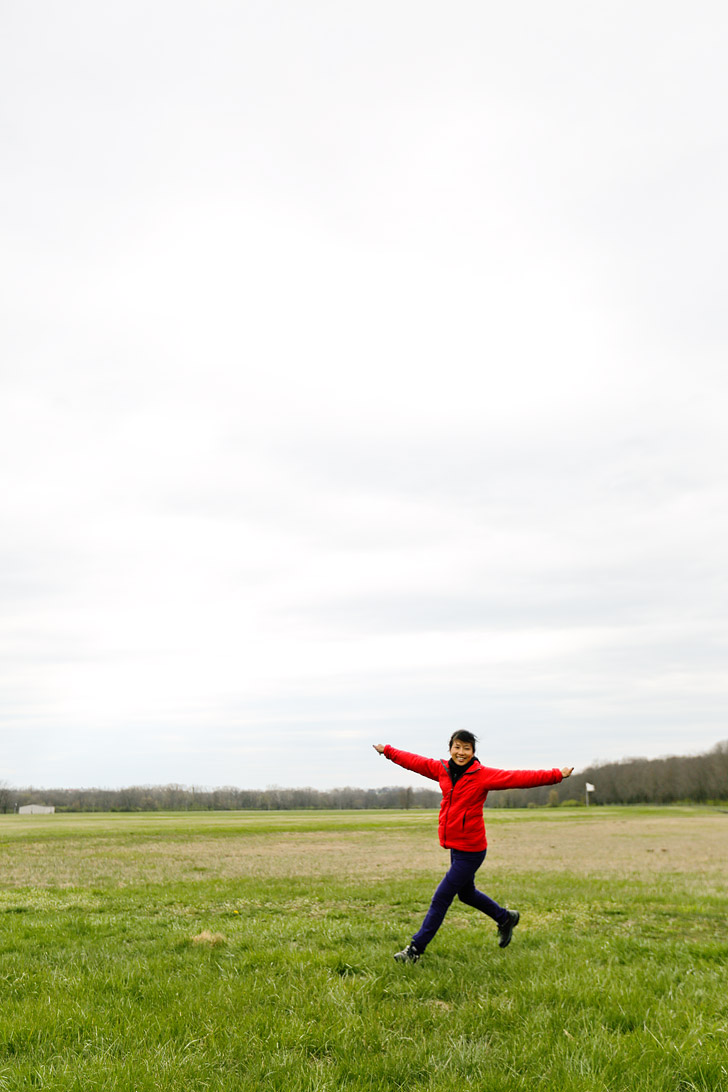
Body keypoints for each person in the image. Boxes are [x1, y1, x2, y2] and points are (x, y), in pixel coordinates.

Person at [373, 732, 573, 963]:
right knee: (466, 894)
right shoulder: (441, 770)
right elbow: (414, 762)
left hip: (472, 850)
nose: (461, 752)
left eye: (467, 748)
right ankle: (505, 917)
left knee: (441, 898)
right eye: (457, 747)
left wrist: (556, 775)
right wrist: (388, 751)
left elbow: (518, 777)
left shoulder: (482, 776)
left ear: (473, 753)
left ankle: (415, 950)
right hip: (456, 848)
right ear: (450, 749)